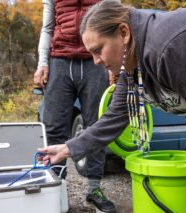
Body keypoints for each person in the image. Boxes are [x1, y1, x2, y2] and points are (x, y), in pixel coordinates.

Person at [38, 0, 186, 212]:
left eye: (98, 50)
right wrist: (68, 148)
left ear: (123, 33)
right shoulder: (132, 62)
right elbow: (114, 117)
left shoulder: (169, 46)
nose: (96, 61)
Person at [33, 0, 116, 212]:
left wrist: (114, 62)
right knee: (53, 126)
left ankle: (94, 189)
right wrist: (43, 63)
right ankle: (57, 188)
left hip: (94, 59)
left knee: (96, 125)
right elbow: (47, 28)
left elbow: (114, 22)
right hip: (59, 61)